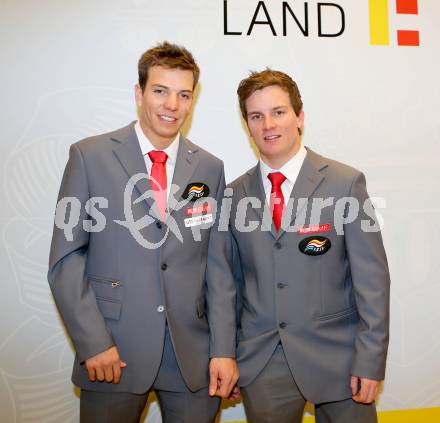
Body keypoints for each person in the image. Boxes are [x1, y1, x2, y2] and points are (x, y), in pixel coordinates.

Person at [48, 42, 238, 423]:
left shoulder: (210, 167)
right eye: (160, 91)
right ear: (139, 93)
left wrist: (224, 349)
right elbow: (66, 259)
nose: (172, 105)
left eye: (183, 95)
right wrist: (94, 342)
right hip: (112, 352)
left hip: (193, 358)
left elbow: (217, 266)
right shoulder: (90, 156)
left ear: (192, 101)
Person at [228, 69, 390, 423]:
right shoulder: (233, 195)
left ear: (299, 117)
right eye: (256, 116)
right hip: (263, 363)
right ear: (248, 125)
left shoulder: (346, 183)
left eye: (279, 112)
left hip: (342, 361)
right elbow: (230, 286)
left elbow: (372, 282)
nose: (268, 124)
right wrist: (227, 354)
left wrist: (370, 359)